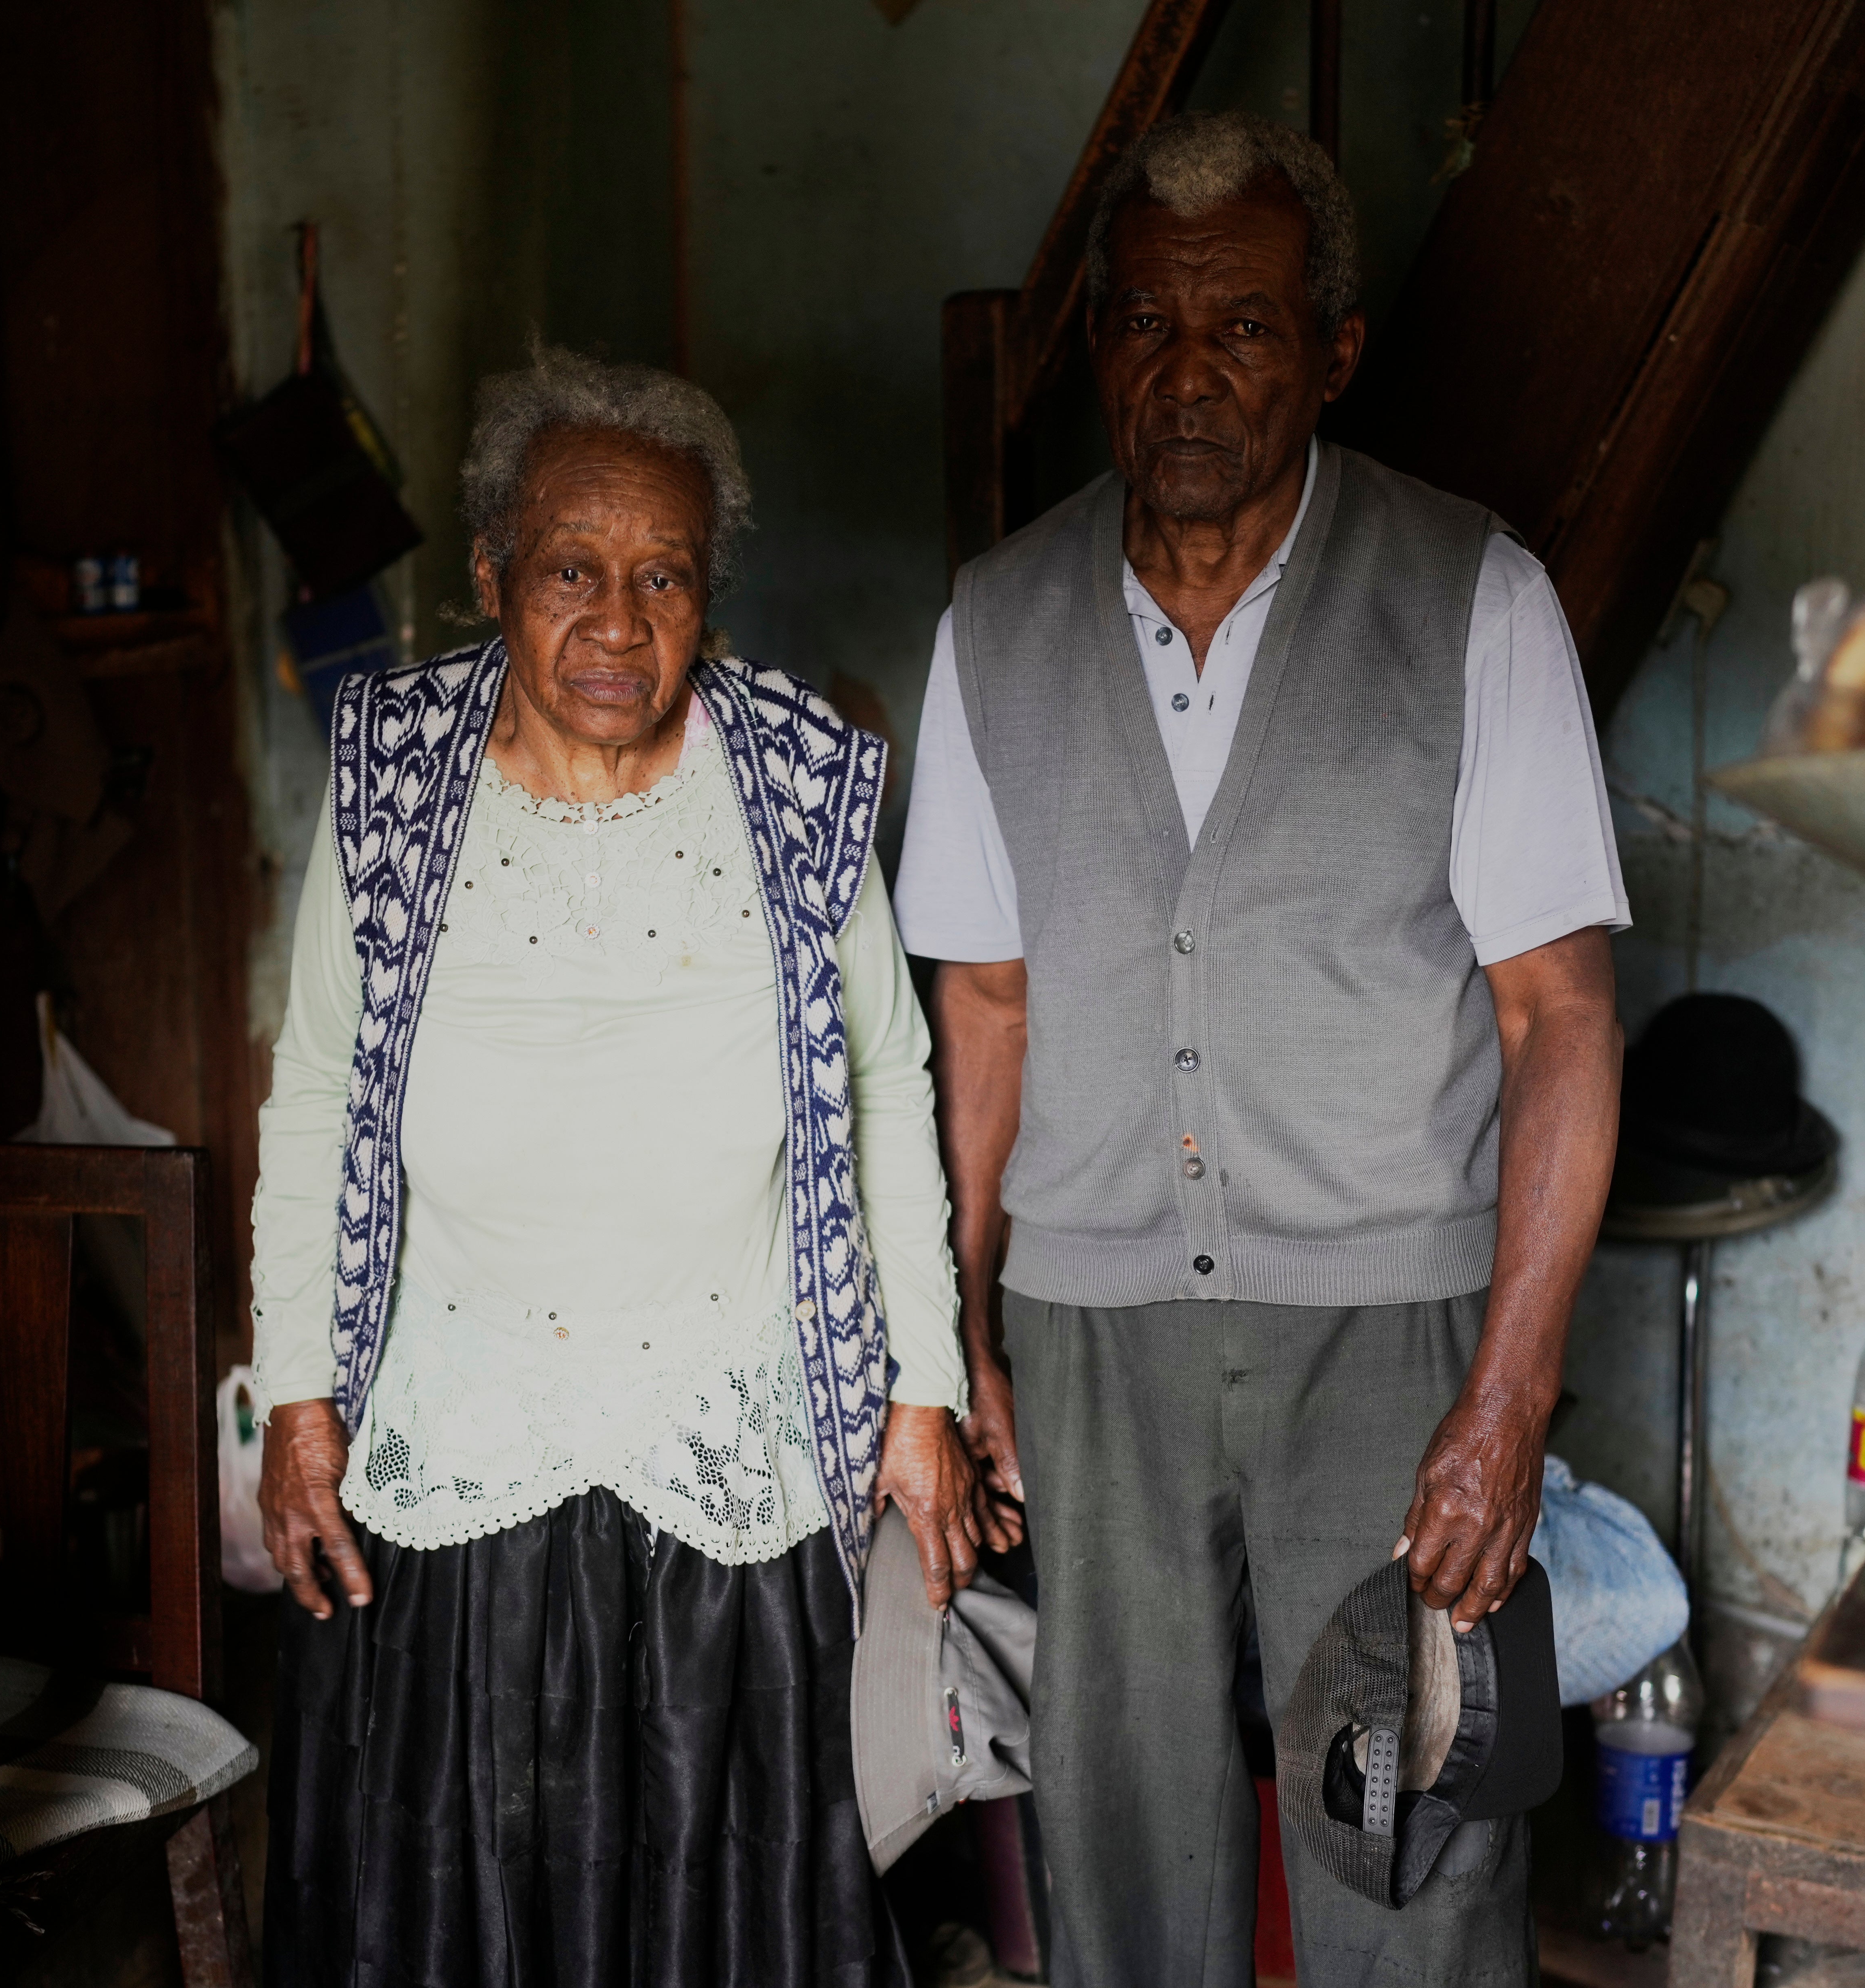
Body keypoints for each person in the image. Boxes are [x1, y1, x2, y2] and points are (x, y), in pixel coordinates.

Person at [897, 111, 1629, 1984]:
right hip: (1089, 1330)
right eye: (1146, 324)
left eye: (1242, 328)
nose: (1189, 372)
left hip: (1389, 1344)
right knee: (1119, 1845)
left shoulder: (1476, 599)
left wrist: (1510, 1400)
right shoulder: (993, 624)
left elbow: (1558, 1020)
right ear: (1098, 352)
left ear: (1334, 353)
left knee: (1411, 1833)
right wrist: (964, 1328)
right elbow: (981, 1005)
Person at [249, 347, 983, 1986]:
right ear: (496, 577)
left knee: (725, 1905)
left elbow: (886, 1081)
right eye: (573, 574)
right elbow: (312, 1086)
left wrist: (921, 1394)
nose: (618, 623)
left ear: (708, 598)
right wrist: (298, 1392)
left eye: (663, 579)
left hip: (730, 1447)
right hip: (462, 1434)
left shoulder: (796, 783)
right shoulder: (388, 772)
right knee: (459, 1900)